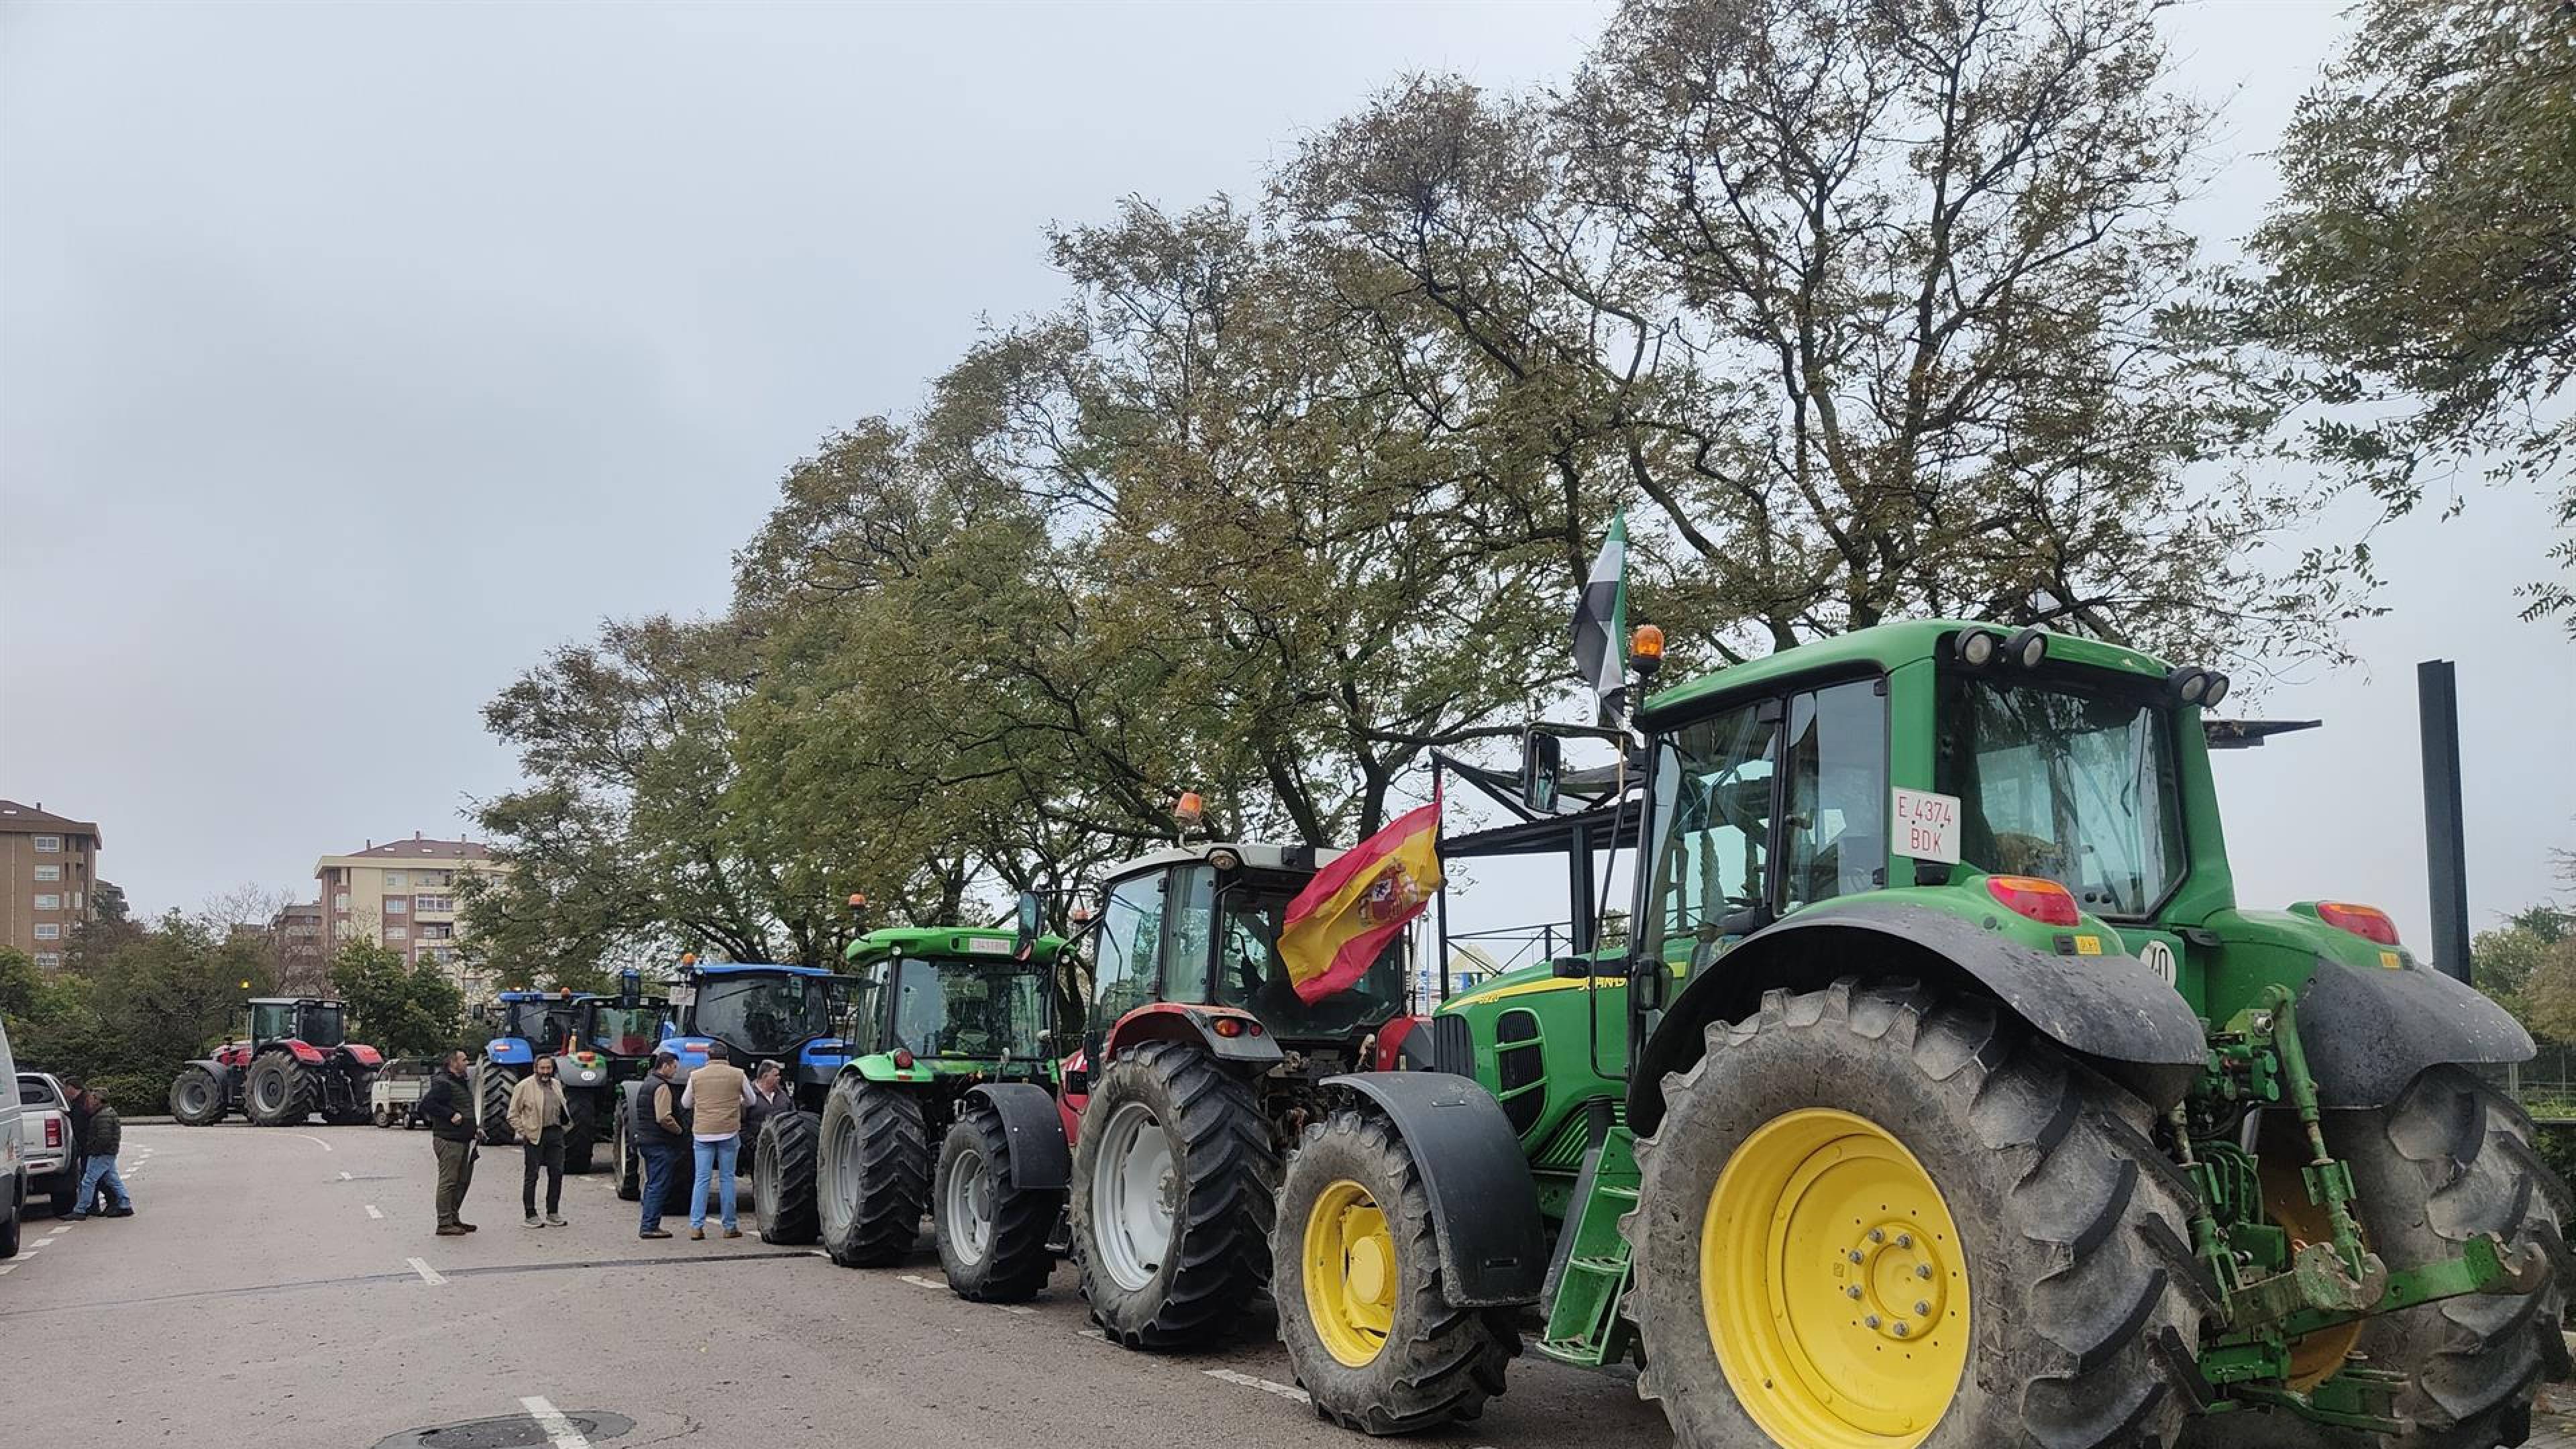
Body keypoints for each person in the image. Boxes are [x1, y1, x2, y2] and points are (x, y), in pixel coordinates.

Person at [679, 1040, 752, 1240]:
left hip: (703, 1132)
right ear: (727, 1057)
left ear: (707, 1057)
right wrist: (736, 1101)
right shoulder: (738, 1074)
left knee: (702, 1179)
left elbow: (686, 1103)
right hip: (729, 1131)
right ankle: (729, 1227)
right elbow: (752, 1100)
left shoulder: (696, 1076)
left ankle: (696, 1226)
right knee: (727, 1179)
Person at [506, 1052, 572, 1228]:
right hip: (535, 1135)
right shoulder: (524, 1087)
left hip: (555, 1133)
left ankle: (553, 1212)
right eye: (542, 1068)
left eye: (548, 1068)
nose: (545, 1071)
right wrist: (525, 1132)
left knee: (557, 1173)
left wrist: (565, 1127)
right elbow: (512, 1115)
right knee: (532, 1175)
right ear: (535, 1069)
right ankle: (530, 1214)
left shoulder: (556, 1084)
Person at [419, 1049, 479, 1236]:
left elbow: (464, 1108)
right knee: (449, 1182)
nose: (467, 1062)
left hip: (463, 1139)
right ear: (453, 1063)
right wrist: (450, 1115)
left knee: (462, 1181)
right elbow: (427, 1105)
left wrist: (475, 1129)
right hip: (448, 1140)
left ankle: (454, 1218)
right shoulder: (443, 1083)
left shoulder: (459, 1082)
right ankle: (444, 1223)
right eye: (464, 1059)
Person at [635, 1049, 689, 1240]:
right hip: (660, 1143)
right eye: (674, 1068)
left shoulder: (647, 1083)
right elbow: (664, 1117)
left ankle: (649, 1224)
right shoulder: (662, 1087)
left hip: (646, 1140)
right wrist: (680, 1131)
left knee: (652, 1183)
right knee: (659, 1185)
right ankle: (650, 1226)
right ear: (665, 1066)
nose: (675, 1072)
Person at [62, 1084, 131, 1220]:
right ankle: (125, 1204)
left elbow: (103, 1138)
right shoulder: (105, 1114)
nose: (90, 1101)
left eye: (93, 1098)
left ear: (99, 1101)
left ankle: (81, 1210)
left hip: (101, 1154)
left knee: (88, 1181)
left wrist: (93, 1150)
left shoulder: (102, 1116)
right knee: (113, 1180)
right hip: (107, 1153)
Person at [741, 1059, 791, 1164]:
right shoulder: (749, 1096)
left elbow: (792, 1115)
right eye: (776, 1075)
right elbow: (741, 1124)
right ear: (765, 1076)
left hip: (780, 1149)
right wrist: (753, 1144)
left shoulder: (783, 1096)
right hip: (753, 1151)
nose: (779, 1078)